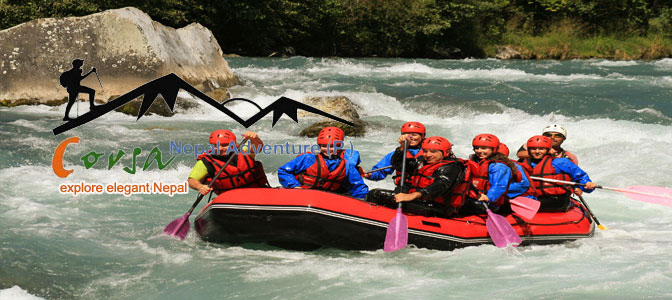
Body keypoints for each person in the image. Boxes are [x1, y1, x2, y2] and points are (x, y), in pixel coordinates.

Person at [278, 127, 369, 199]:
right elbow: (283, 171)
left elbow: (358, 187)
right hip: (302, 196)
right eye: (324, 146)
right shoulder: (308, 158)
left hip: (328, 201)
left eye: (332, 146)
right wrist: (294, 186)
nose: (328, 149)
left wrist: (361, 201)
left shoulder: (346, 165)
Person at [389, 136, 469, 217]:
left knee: (389, 199)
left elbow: (440, 185)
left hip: (439, 207)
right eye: (425, 151)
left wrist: (414, 195)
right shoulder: (421, 161)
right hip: (420, 201)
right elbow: (398, 165)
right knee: (378, 193)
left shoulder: (452, 167)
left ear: (446, 152)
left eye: (433, 152)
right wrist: (402, 148)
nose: (428, 155)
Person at [519, 135, 597, 212]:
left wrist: (587, 184)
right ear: (528, 150)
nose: (537, 151)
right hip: (534, 198)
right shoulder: (523, 164)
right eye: (533, 149)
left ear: (548, 150)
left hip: (557, 200)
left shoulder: (561, 162)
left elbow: (580, 177)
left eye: (541, 149)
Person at [188, 130, 268, 195]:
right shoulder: (205, 162)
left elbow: (258, 147)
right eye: (215, 146)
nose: (219, 148)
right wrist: (200, 186)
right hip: (230, 198)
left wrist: (254, 138)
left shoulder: (243, 150)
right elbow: (192, 180)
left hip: (257, 192)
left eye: (225, 145)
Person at [462, 134, 523, 214]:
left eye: (484, 148)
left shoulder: (499, 166)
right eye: (476, 148)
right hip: (474, 198)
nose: (479, 151)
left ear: (494, 149)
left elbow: (499, 185)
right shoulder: (475, 161)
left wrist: (489, 197)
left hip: (489, 204)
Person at [365, 121, 426, 188]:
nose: (410, 137)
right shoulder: (396, 154)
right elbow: (380, 171)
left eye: (414, 135)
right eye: (406, 135)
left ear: (422, 136)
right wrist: (369, 175)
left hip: (424, 190)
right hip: (403, 189)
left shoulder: (431, 153)